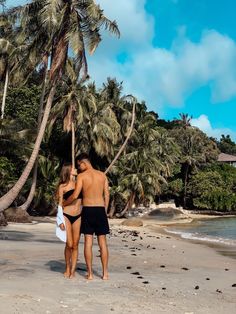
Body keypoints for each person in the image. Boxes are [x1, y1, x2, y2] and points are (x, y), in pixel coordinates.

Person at [63, 153, 110, 280]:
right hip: (100, 210)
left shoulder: (82, 177)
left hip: (88, 210)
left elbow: (74, 196)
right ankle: (105, 274)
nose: (79, 168)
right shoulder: (102, 175)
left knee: (88, 242)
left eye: (79, 165)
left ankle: (90, 274)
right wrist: (104, 210)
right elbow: (107, 195)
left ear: (83, 162)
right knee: (103, 243)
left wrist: (63, 204)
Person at [56, 163, 82, 279]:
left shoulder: (79, 184)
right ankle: (67, 267)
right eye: (73, 168)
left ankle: (72, 270)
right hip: (66, 215)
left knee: (75, 245)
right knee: (69, 244)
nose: (76, 169)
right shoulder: (62, 186)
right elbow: (60, 204)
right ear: (68, 170)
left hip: (79, 216)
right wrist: (59, 221)